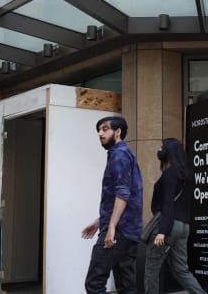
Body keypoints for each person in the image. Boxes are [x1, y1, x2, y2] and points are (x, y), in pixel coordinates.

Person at [82, 116, 143, 294]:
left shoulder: (120, 154)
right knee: (127, 287)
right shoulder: (124, 153)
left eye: (105, 129)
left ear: (118, 132)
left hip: (119, 231)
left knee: (94, 283)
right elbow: (125, 197)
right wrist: (99, 221)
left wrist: (111, 227)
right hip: (129, 231)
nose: (100, 133)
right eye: (99, 130)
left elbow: (123, 194)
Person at [144, 138, 207, 294]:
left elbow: (168, 204)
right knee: (181, 270)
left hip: (168, 226)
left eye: (162, 147)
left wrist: (163, 231)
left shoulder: (170, 173)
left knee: (151, 269)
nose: (160, 150)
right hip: (183, 226)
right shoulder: (186, 175)